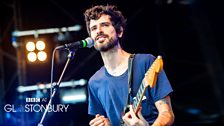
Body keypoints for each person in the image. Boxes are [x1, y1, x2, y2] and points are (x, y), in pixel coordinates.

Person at [84, 4, 175, 126]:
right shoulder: (94, 82)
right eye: (93, 28)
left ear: (120, 31)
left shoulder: (145, 62)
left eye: (104, 25)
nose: (99, 30)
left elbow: (167, 113)